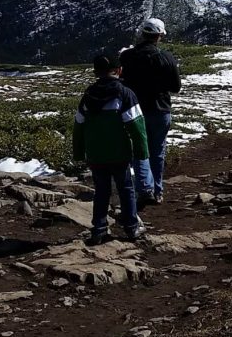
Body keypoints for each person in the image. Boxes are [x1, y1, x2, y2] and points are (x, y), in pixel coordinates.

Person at [73, 53, 149, 244]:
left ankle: (99, 229)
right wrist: (142, 152)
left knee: (101, 190)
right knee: (125, 189)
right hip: (119, 152)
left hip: (95, 154)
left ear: (95, 72)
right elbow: (137, 125)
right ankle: (131, 227)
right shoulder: (124, 94)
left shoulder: (88, 95)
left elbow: (78, 125)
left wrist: (79, 152)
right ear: (119, 70)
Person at [121, 18, 181, 205]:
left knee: (139, 149)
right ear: (159, 36)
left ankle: (143, 188)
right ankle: (157, 190)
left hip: (134, 110)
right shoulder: (167, 58)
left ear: (142, 33)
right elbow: (176, 87)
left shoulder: (127, 56)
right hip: (160, 109)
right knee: (157, 150)